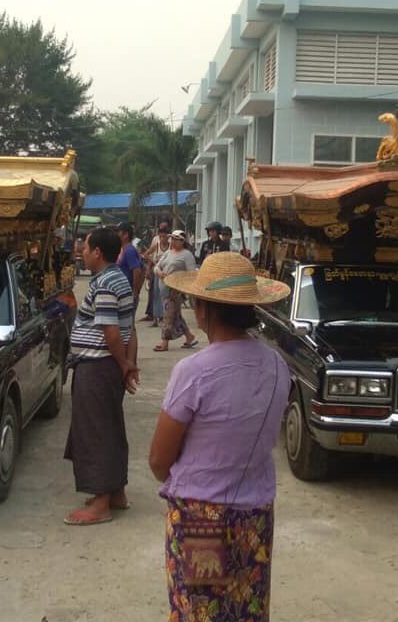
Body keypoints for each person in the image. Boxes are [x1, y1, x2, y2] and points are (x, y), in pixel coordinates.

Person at [149, 252, 291, 622]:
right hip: (255, 515)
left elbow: (159, 460)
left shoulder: (194, 371)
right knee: (247, 610)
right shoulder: (277, 365)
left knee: (200, 612)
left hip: (202, 518)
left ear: (202, 310)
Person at [63, 227, 138, 526]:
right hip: (104, 365)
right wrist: (127, 363)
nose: (80, 250)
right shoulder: (115, 278)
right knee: (108, 426)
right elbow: (128, 328)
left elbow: (111, 332)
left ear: (97, 252)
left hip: (98, 366)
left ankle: (101, 503)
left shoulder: (106, 282)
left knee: (95, 432)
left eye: (85, 246)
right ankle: (115, 491)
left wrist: (123, 364)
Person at [153, 230, 198, 352]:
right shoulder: (168, 253)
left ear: (182, 241)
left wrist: (182, 286)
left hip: (175, 292)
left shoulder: (187, 255)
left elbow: (191, 275)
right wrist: (160, 273)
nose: (173, 241)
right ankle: (189, 337)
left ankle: (164, 342)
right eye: (172, 238)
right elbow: (156, 266)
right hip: (164, 289)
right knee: (176, 316)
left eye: (176, 239)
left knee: (167, 316)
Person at [141, 223, 171, 326]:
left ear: (168, 236)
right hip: (157, 272)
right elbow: (145, 254)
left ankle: (164, 316)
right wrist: (154, 262)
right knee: (155, 295)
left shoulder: (171, 246)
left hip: (166, 273)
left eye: (164, 236)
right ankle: (155, 319)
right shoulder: (157, 245)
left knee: (165, 295)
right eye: (161, 236)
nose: (162, 238)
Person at [116, 222, 144, 297]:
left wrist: (135, 291)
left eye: (118, 232)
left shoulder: (129, 251)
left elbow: (137, 270)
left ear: (125, 235)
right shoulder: (123, 249)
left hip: (128, 292)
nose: (117, 235)